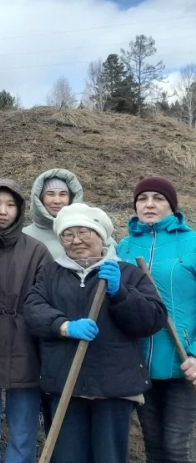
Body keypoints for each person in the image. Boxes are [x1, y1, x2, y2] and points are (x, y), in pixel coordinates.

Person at [24, 203, 167, 463]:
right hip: (65, 383)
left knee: (108, 457)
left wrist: (120, 293)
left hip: (113, 386)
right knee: (66, 458)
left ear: (101, 236)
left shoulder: (128, 273)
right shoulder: (51, 273)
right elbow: (33, 310)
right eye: (68, 235)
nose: (76, 240)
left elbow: (152, 320)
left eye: (84, 232)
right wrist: (64, 326)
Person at [116, 177, 196, 463]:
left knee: (176, 448)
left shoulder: (192, 243)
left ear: (172, 205)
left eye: (158, 198)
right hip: (138, 363)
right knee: (153, 445)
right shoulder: (123, 248)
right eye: (143, 198)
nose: (149, 204)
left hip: (182, 363)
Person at [0, 180, 51, 463]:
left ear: (19, 209)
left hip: (25, 346)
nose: (3, 211)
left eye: (10, 204)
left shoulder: (36, 250)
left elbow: (44, 298)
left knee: (24, 429)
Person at [22, 169, 85, 258]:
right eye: (50, 194)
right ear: (40, 198)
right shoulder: (24, 237)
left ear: (70, 198)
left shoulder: (89, 232)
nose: (57, 201)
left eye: (63, 194)